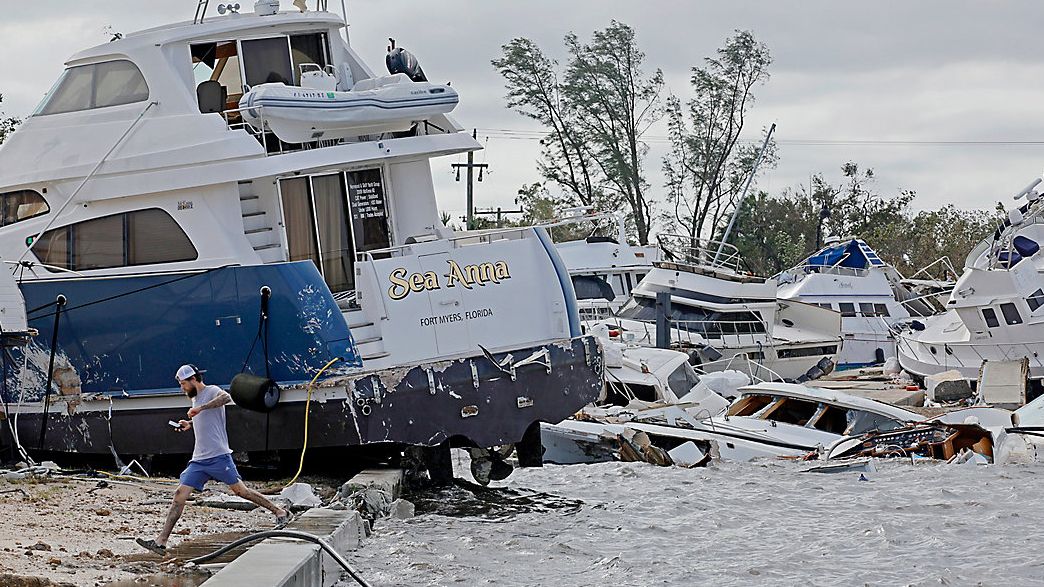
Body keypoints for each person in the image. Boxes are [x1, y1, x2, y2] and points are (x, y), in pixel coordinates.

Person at [136, 364, 288, 555]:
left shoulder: (212, 391)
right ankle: (161, 542)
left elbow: (226, 398)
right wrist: (190, 424)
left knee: (241, 491)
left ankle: (280, 511)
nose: (182, 388)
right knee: (179, 496)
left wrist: (200, 408)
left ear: (193, 380)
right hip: (199, 460)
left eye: (183, 384)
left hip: (218, 456)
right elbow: (206, 419)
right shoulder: (195, 398)